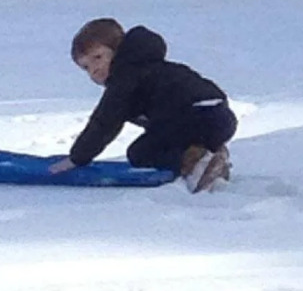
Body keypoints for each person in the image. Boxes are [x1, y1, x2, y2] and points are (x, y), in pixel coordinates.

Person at [49, 18, 237, 193]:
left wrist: (78, 157)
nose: (94, 70)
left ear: (118, 50)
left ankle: (198, 161)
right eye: (86, 67)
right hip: (221, 117)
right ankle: (211, 153)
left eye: (98, 57)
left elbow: (106, 121)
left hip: (195, 116)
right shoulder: (150, 67)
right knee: (161, 138)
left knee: (141, 153)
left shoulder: (125, 77)